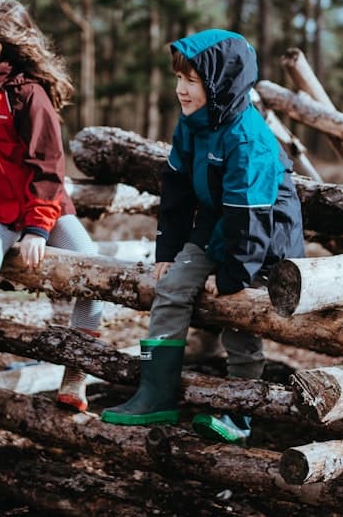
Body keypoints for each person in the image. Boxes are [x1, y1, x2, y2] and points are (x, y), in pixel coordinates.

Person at [100, 28, 304, 444]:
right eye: (178, 79)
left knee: (241, 316)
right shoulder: (193, 124)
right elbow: (175, 188)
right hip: (216, 227)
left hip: (265, 243)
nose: (180, 90)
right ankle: (155, 393)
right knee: (171, 285)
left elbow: (250, 222)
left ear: (220, 82)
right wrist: (168, 251)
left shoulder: (248, 141)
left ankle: (240, 412)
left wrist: (232, 276)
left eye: (191, 81)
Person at [0, 0, 105, 424]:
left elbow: (48, 169)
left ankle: (76, 374)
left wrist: (37, 230)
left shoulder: (29, 96)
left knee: (92, 265)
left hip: (47, 209)